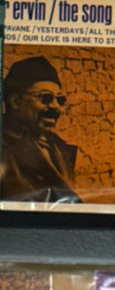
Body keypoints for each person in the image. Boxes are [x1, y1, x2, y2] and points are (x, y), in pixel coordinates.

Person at [0, 56, 80, 204]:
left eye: (60, 100)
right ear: (15, 101)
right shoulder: (4, 148)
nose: (57, 107)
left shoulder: (59, 148)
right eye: (46, 98)